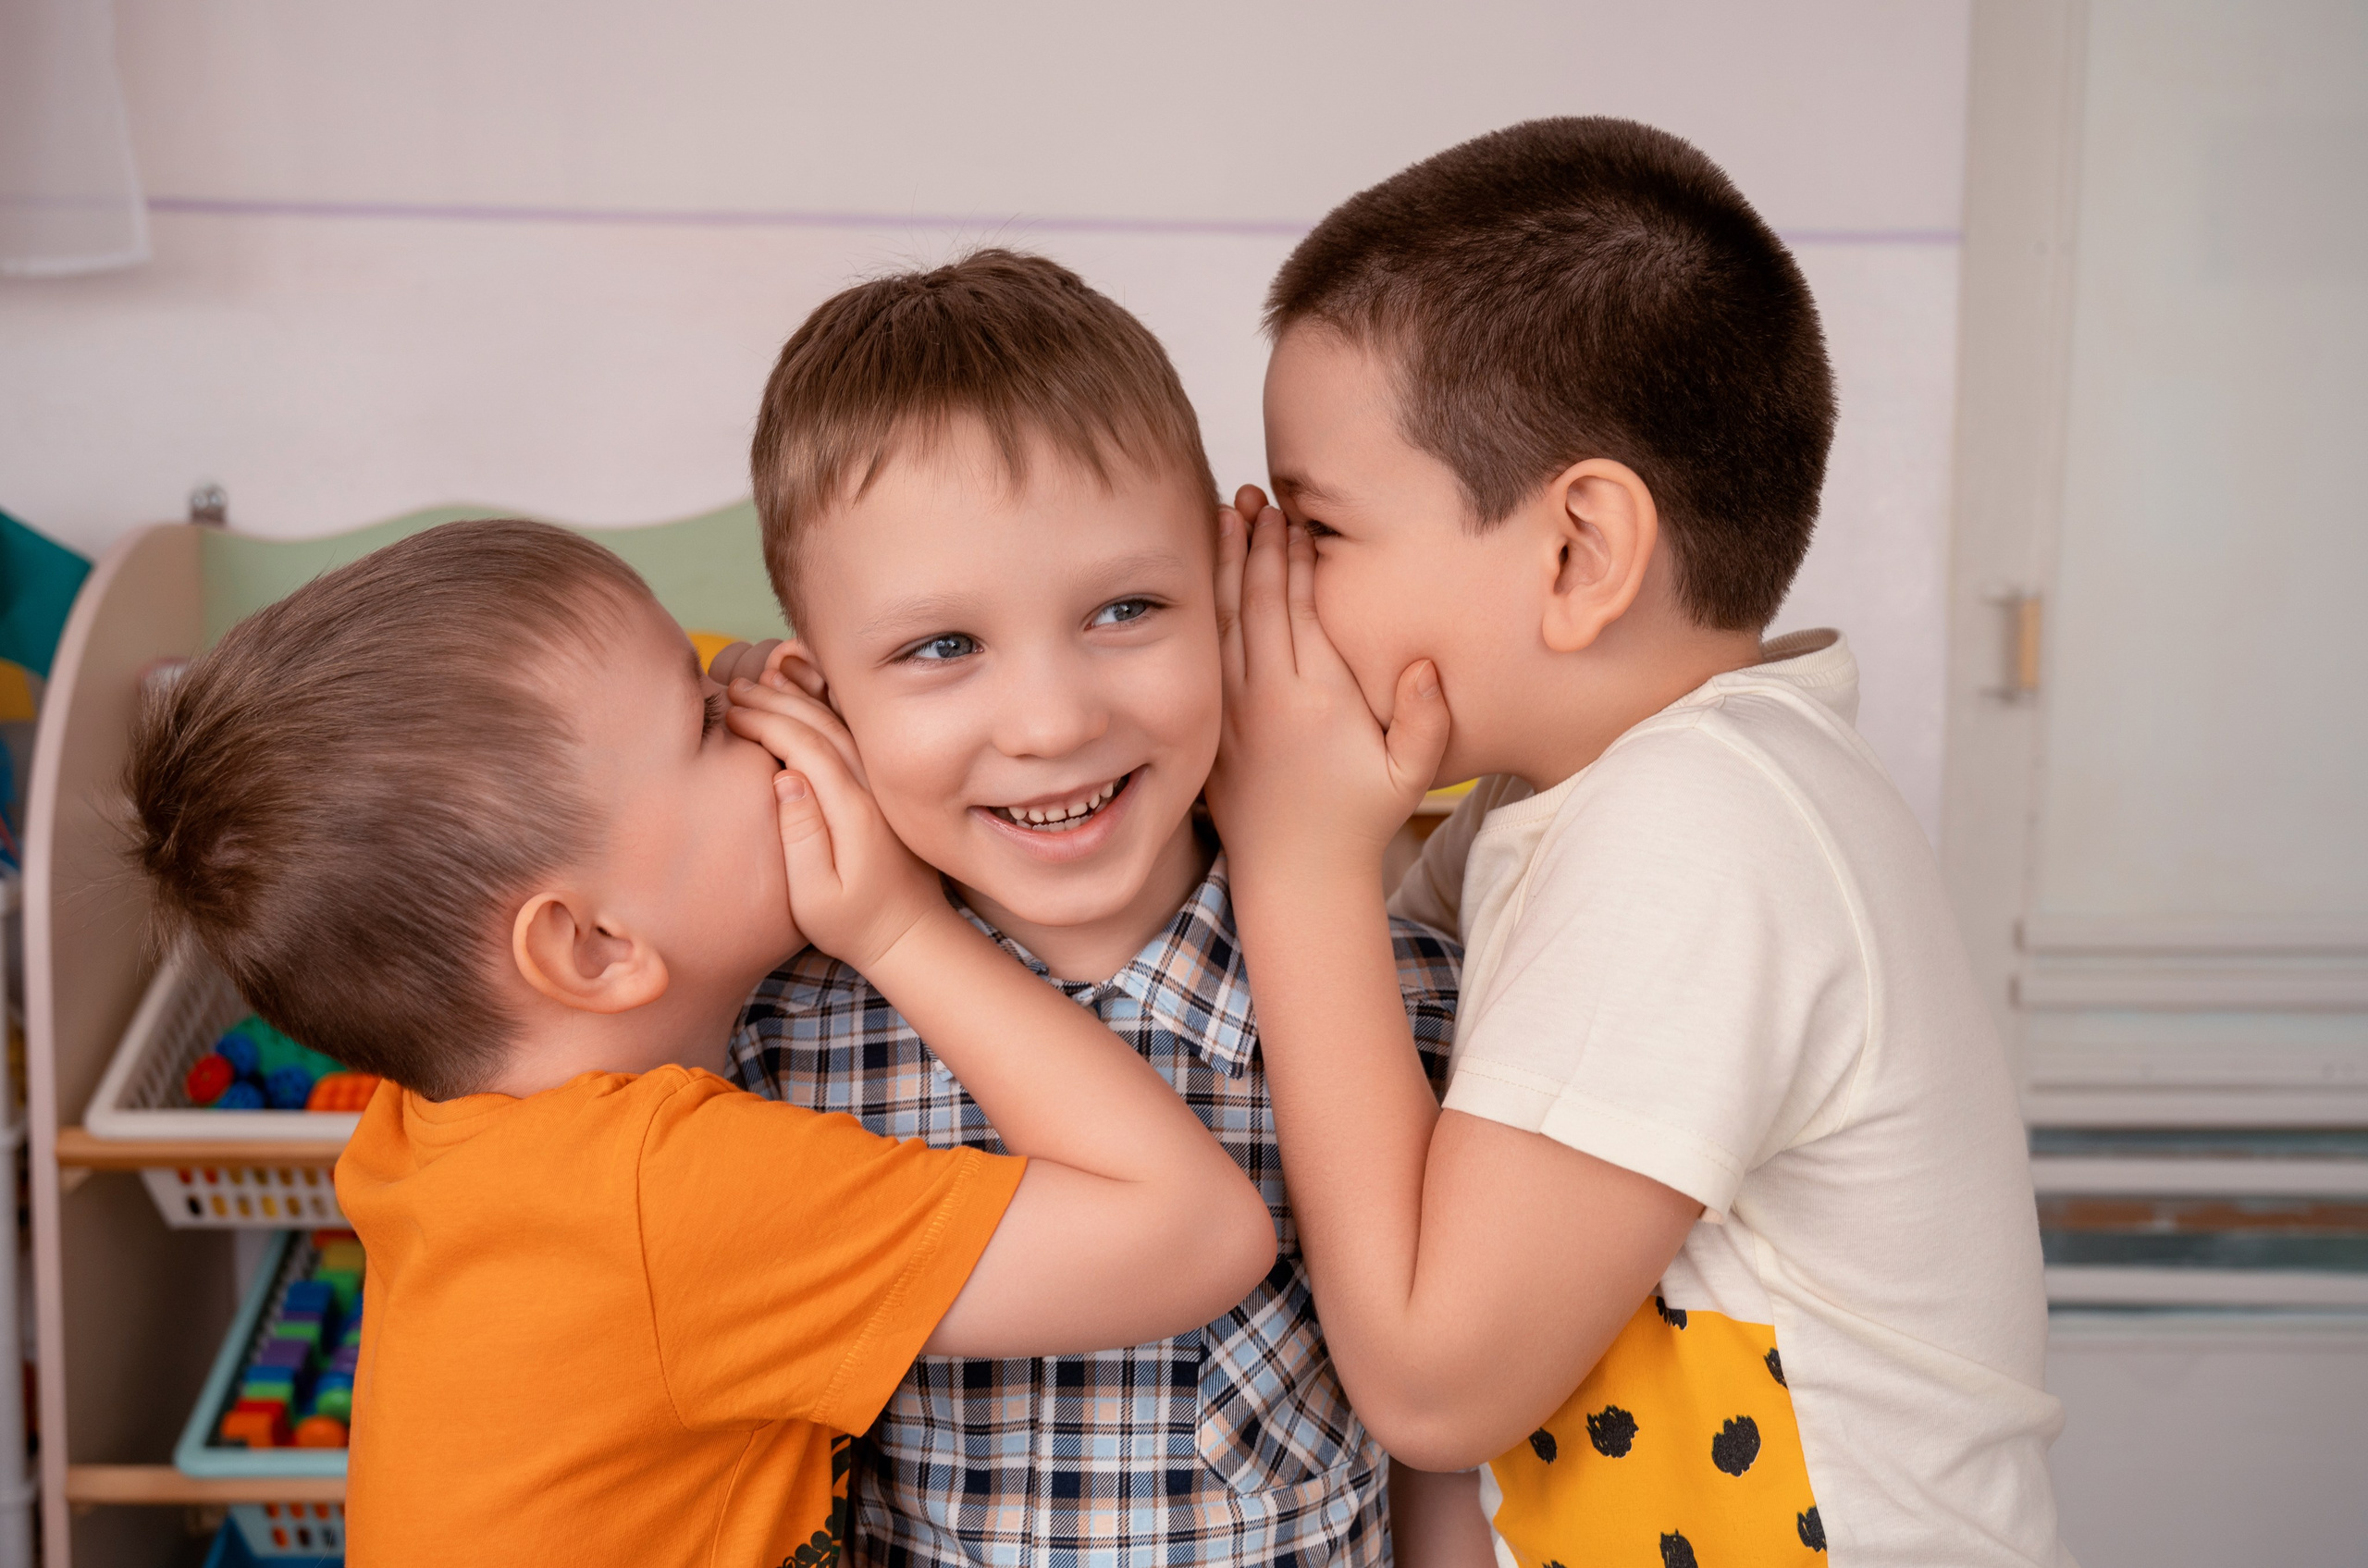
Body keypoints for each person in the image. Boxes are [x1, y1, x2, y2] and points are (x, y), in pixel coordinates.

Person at [1207, 117, 2069, 1567]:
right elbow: (1331, 1056)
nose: (1274, 580)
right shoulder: (1559, 805)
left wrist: (1296, 855)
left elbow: (1432, 1377)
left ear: (1578, 551)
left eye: (1320, 526)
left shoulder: (1703, 824)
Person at [123, 518, 1276, 1565]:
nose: (766, 718)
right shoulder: (663, 1200)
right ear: (590, 945)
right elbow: (1195, 1232)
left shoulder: (446, 1126)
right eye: (710, 716)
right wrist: (900, 927)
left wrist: (735, 709)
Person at [715, 249, 1465, 1567]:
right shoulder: (772, 1049)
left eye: (1127, 608)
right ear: (818, 694)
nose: (1055, 720)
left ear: (1232, 595)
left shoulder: (1405, 999)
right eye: (941, 646)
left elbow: (1443, 1453)